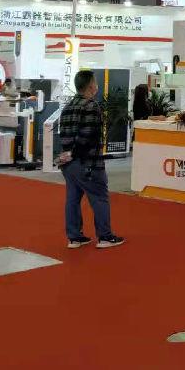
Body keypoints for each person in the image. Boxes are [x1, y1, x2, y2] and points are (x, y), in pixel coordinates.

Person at [58, 69, 124, 249]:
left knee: (72, 199)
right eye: (95, 82)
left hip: (69, 164)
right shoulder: (91, 106)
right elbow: (87, 136)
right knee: (100, 197)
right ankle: (105, 236)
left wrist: (68, 155)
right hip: (88, 162)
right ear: (91, 86)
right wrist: (76, 153)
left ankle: (74, 237)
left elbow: (63, 135)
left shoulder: (67, 107)